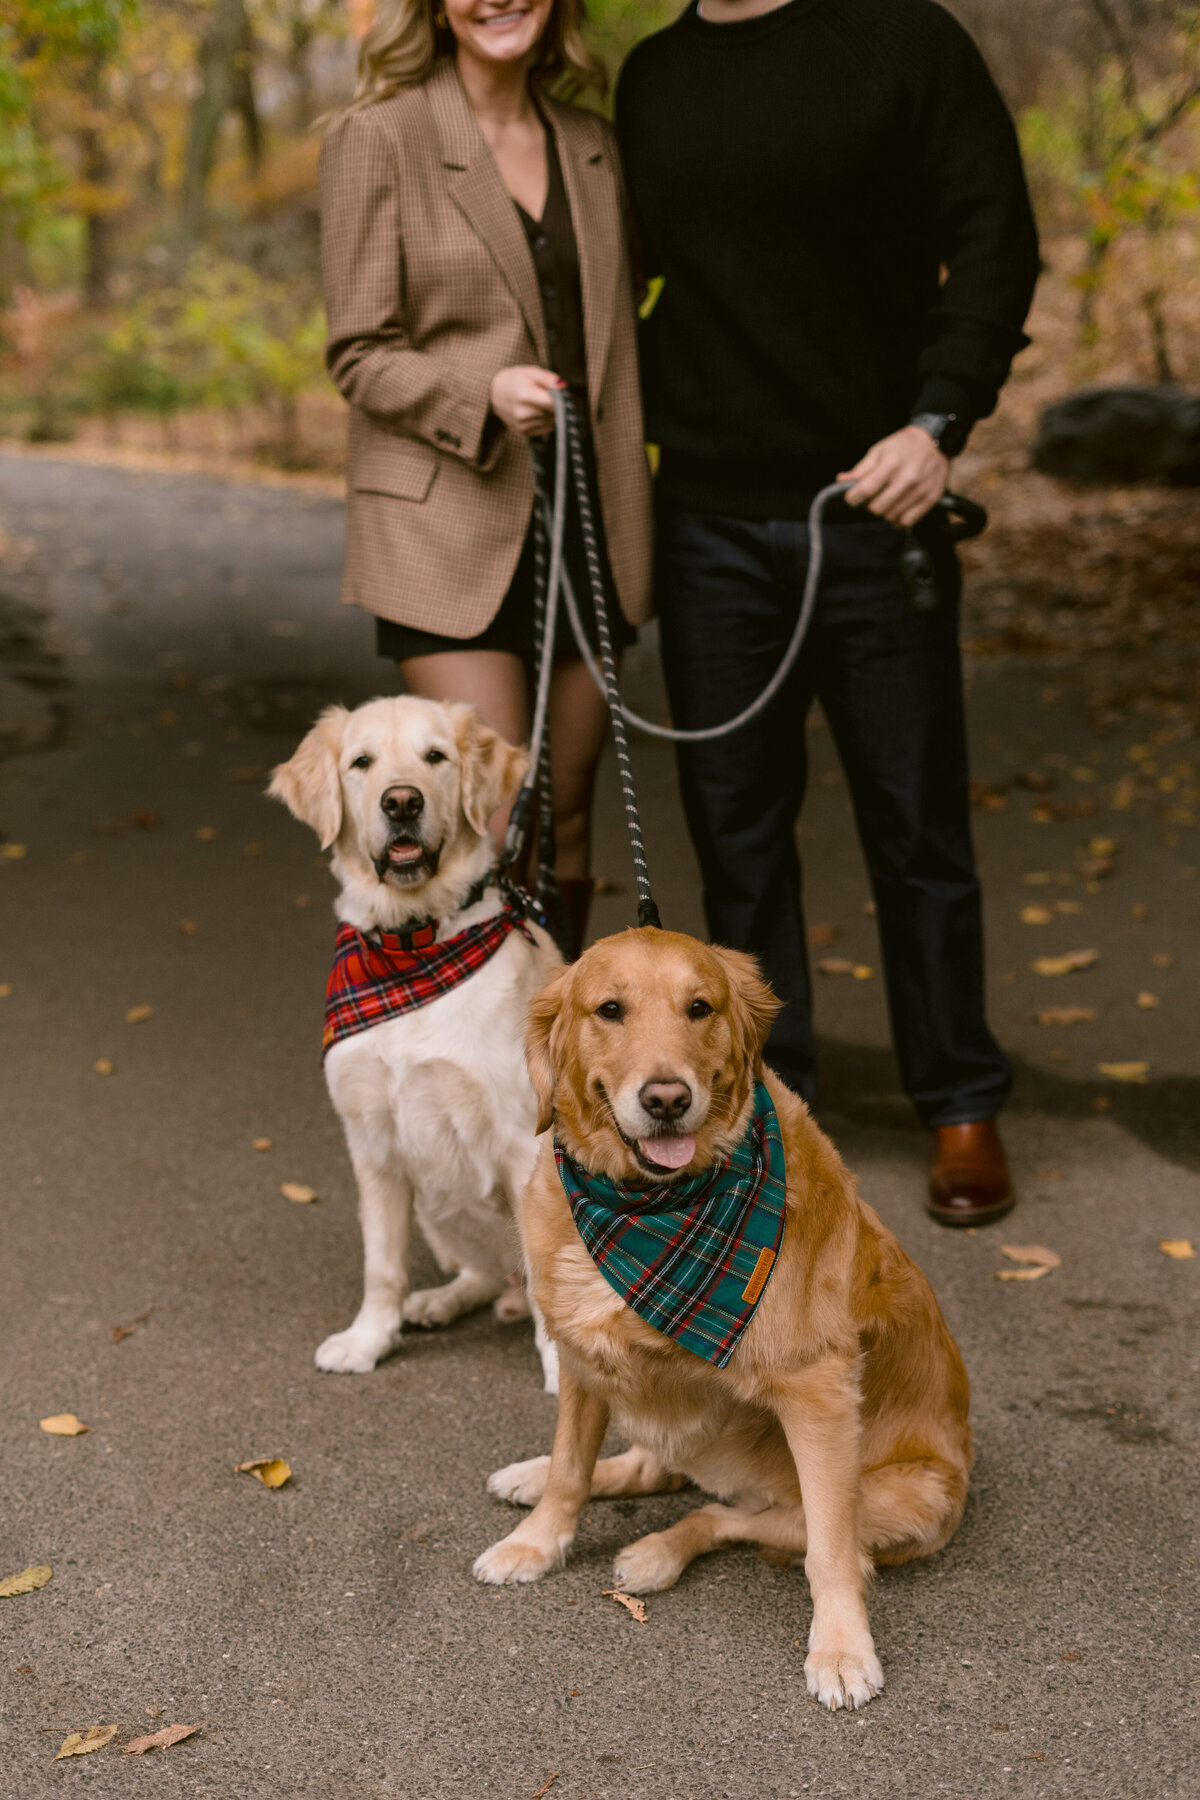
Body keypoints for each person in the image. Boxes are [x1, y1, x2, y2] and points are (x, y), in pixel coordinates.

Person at [615, 0, 1041, 1225]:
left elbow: (996, 236)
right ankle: (769, 1114)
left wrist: (939, 420)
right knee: (739, 838)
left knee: (917, 827)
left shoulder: (903, 40)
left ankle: (960, 1101)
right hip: (703, 519)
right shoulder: (653, 77)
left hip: (875, 510)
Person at [318, 0, 652, 956]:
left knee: (571, 806)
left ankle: (553, 1056)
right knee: (494, 813)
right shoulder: (378, 139)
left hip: (590, 511)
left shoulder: (594, 142)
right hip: (448, 518)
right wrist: (481, 391)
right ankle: (465, 1059)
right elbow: (359, 351)